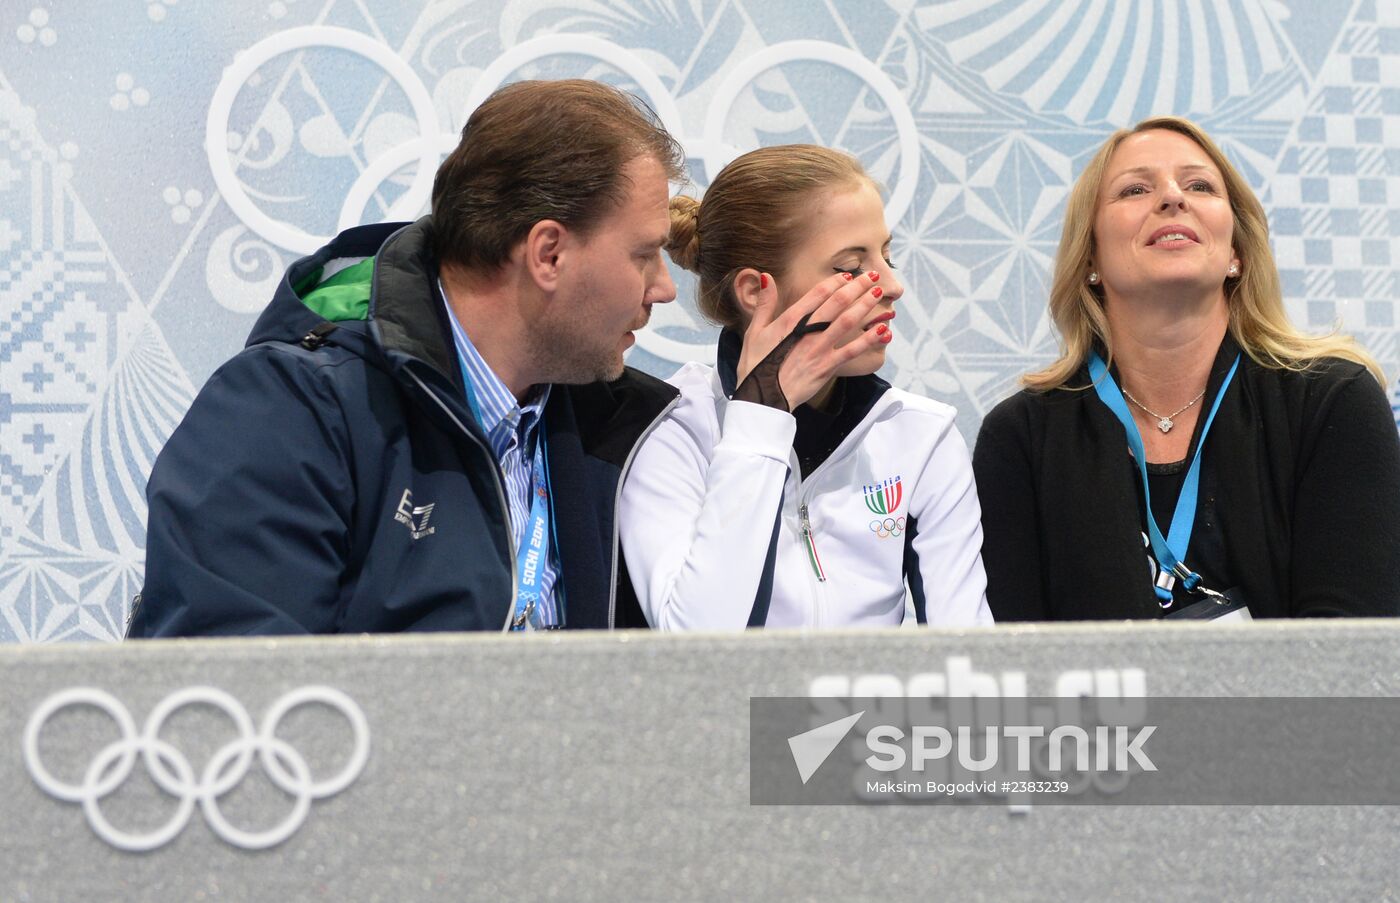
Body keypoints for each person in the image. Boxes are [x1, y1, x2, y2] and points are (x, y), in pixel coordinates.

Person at [128, 79, 686, 637]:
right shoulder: (287, 413)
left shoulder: (620, 433)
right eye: (644, 254)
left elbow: (729, 684)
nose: (664, 288)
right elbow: (232, 699)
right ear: (549, 254)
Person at [973, 116, 1400, 621]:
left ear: (1236, 253)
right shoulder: (1022, 436)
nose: (1173, 198)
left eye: (1199, 185)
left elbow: (1352, 657)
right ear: (1090, 257)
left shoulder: (1332, 399)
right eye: (1135, 189)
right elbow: (1017, 668)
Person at [618, 145, 992, 630]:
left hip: (878, 710)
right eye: (851, 267)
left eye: (887, 254)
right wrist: (761, 417)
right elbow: (698, 643)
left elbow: (967, 666)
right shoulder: (669, 427)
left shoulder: (922, 434)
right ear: (755, 291)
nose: (892, 285)